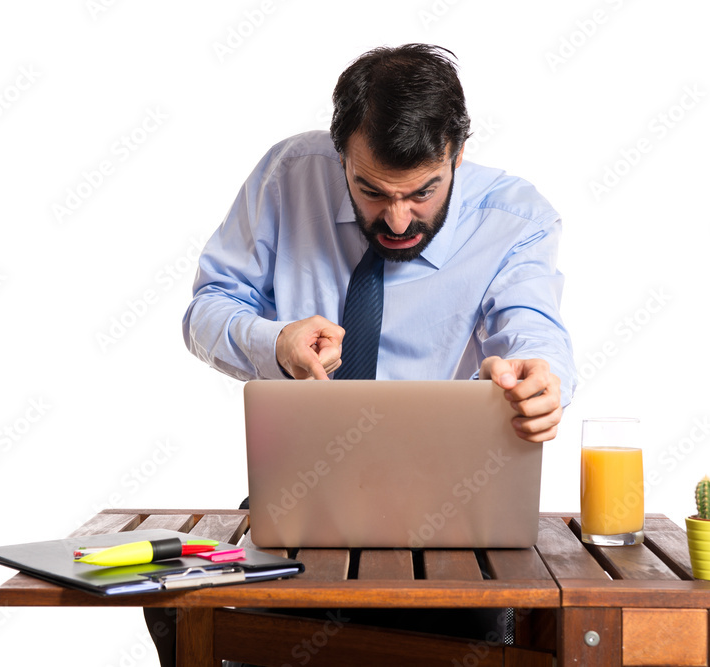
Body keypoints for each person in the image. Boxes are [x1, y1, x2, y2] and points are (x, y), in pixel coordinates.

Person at [151, 43, 577, 667]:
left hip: (452, 518)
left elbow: (533, 329)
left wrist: (541, 377)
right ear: (340, 154)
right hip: (299, 502)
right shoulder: (287, 175)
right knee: (180, 608)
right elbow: (207, 309)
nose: (399, 219)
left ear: (458, 154)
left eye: (423, 193)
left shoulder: (515, 220)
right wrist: (275, 342)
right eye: (373, 191)